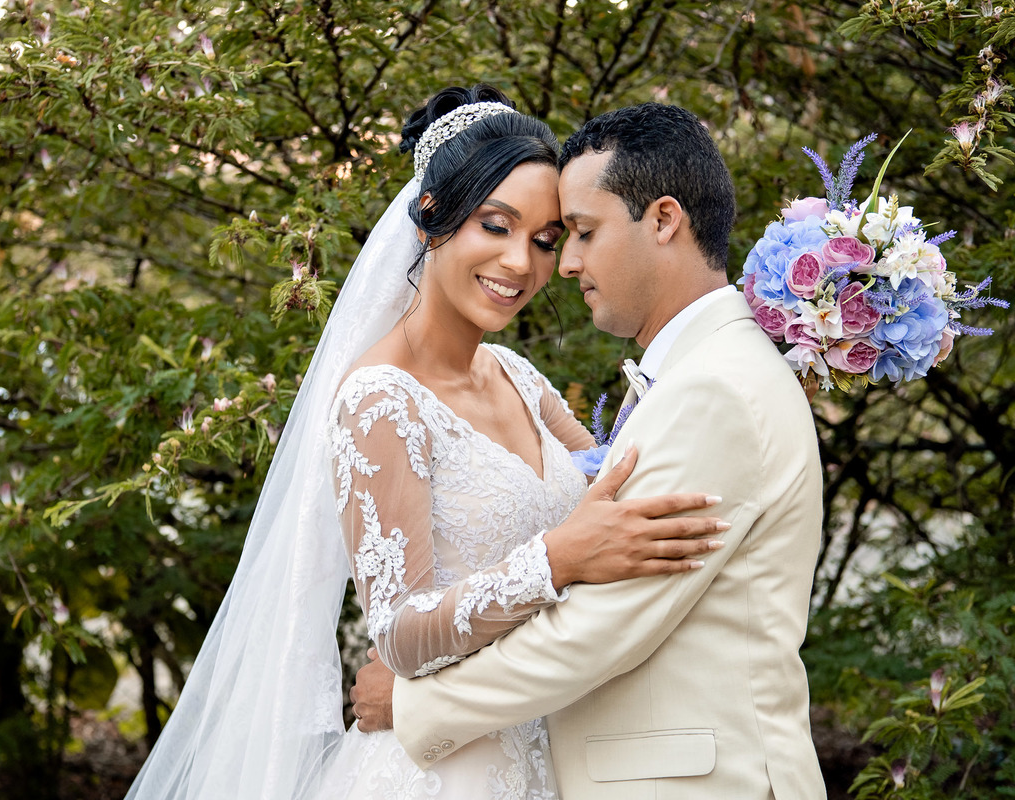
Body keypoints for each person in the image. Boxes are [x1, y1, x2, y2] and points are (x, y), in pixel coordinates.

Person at [124, 87, 725, 800]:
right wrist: (559, 558)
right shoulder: (380, 400)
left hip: (551, 750)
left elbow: (622, 482)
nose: (521, 263)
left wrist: (742, 375)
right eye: (495, 225)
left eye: (544, 240)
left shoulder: (519, 378)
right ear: (431, 216)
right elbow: (400, 635)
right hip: (438, 772)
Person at [355, 103, 828, 799]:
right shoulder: (700, 373)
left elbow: (602, 627)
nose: (563, 264)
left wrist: (415, 704)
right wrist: (561, 556)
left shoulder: (712, 390)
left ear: (662, 220)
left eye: (576, 233)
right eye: (503, 227)